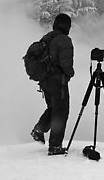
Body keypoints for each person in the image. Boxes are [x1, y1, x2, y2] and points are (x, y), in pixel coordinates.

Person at [31, 13, 75, 155]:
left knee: (53, 108)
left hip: (45, 81)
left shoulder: (48, 37)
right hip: (58, 81)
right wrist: (70, 73)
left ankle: (39, 129)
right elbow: (66, 64)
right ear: (67, 26)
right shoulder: (64, 40)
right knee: (61, 112)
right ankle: (55, 147)